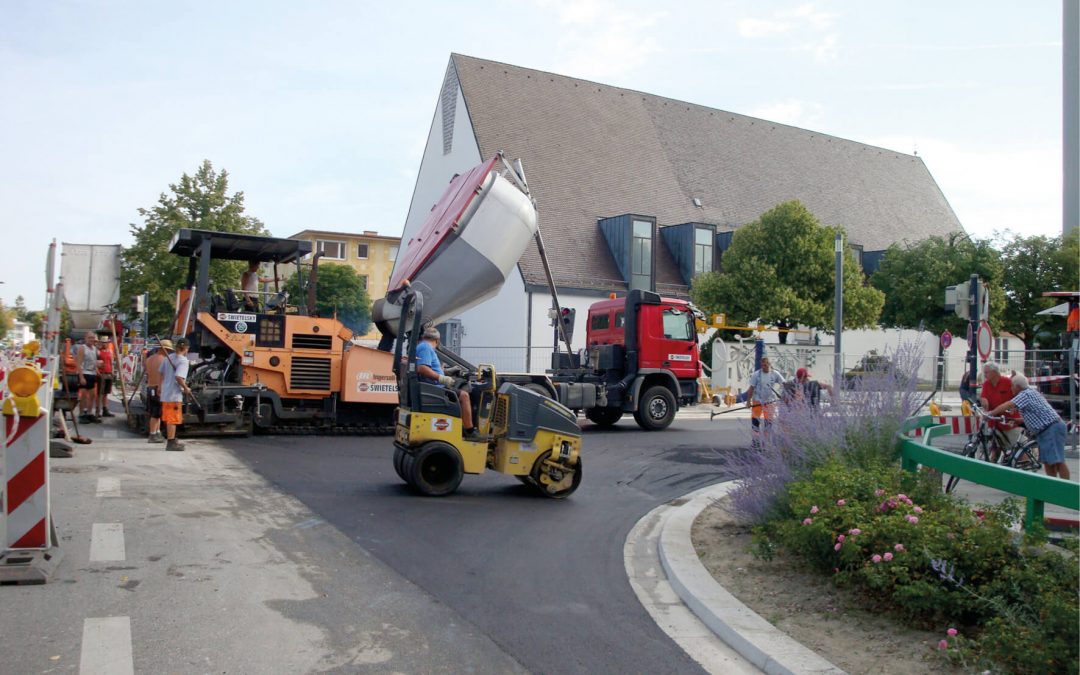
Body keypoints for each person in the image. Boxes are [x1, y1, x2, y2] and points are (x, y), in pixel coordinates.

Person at [989, 374, 1070, 480]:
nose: (1011, 388)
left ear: (1017, 386)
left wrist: (991, 413)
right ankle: (1053, 487)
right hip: (1046, 430)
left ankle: (1067, 489)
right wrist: (1019, 422)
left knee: (1057, 460)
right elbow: (1037, 414)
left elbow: (1008, 405)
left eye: (1012, 386)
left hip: (1051, 429)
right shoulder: (1031, 393)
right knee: (1048, 461)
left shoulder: (1025, 394)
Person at [415, 327, 475, 437]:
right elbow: (422, 368)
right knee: (465, 396)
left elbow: (431, 368)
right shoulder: (425, 347)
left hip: (432, 386)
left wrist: (447, 372)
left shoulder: (423, 346)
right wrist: (442, 378)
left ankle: (462, 425)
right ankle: (469, 431)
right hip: (434, 389)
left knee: (458, 390)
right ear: (437, 341)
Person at [977, 362, 1021, 462]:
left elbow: (1017, 397)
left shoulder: (1007, 382)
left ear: (994, 372)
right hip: (995, 422)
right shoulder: (987, 384)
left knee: (1017, 447)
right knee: (995, 447)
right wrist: (983, 400)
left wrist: (1015, 407)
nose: (985, 374)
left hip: (1009, 422)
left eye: (987, 372)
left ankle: (1025, 469)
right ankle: (992, 468)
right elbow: (983, 396)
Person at [159, 338, 192, 452]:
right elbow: (178, 377)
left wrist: (160, 387)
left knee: (168, 418)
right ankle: (171, 442)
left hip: (165, 392)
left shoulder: (168, 358)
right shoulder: (183, 361)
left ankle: (172, 439)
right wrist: (186, 388)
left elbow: (161, 373)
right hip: (174, 394)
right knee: (173, 419)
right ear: (186, 349)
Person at [745, 356, 785, 447]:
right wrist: (748, 401)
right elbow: (751, 388)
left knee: (768, 423)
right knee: (755, 422)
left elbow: (784, 384)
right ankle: (755, 441)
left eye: (766, 365)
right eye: (763, 365)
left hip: (770, 402)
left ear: (770, 364)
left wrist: (784, 394)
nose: (764, 367)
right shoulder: (756, 375)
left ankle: (765, 442)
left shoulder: (775, 374)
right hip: (757, 401)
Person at [144, 341, 169, 443]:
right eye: (168, 350)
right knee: (156, 413)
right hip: (158, 388)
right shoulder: (164, 360)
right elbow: (163, 376)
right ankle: (153, 434)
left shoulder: (149, 359)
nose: (169, 352)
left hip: (150, 387)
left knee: (157, 413)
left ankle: (157, 432)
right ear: (163, 349)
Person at [76, 331, 102, 423]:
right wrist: (81, 377)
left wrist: (97, 369)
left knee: (92, 395)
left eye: (93, 338)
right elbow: (78, 363)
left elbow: (93, 361)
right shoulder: (82, 348)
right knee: (83, 395)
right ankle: (81, 414)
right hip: (84, 373)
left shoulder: (94, 349)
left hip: (92, 373)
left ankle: (90, 413)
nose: (91, 339)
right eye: (90, 338)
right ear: (85, 338)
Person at [95, 334, 116, 418]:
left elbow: (111, 362)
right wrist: (97, 372)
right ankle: (98, 410)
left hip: (108, 373)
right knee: (100, 393)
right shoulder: (98, 351)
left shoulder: (110, 351)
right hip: (101, 374)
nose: (104, 344)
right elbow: (95, 362)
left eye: (106, 343)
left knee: (106, 393)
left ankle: (105, 409)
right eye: (103, 342)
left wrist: (113, 371)